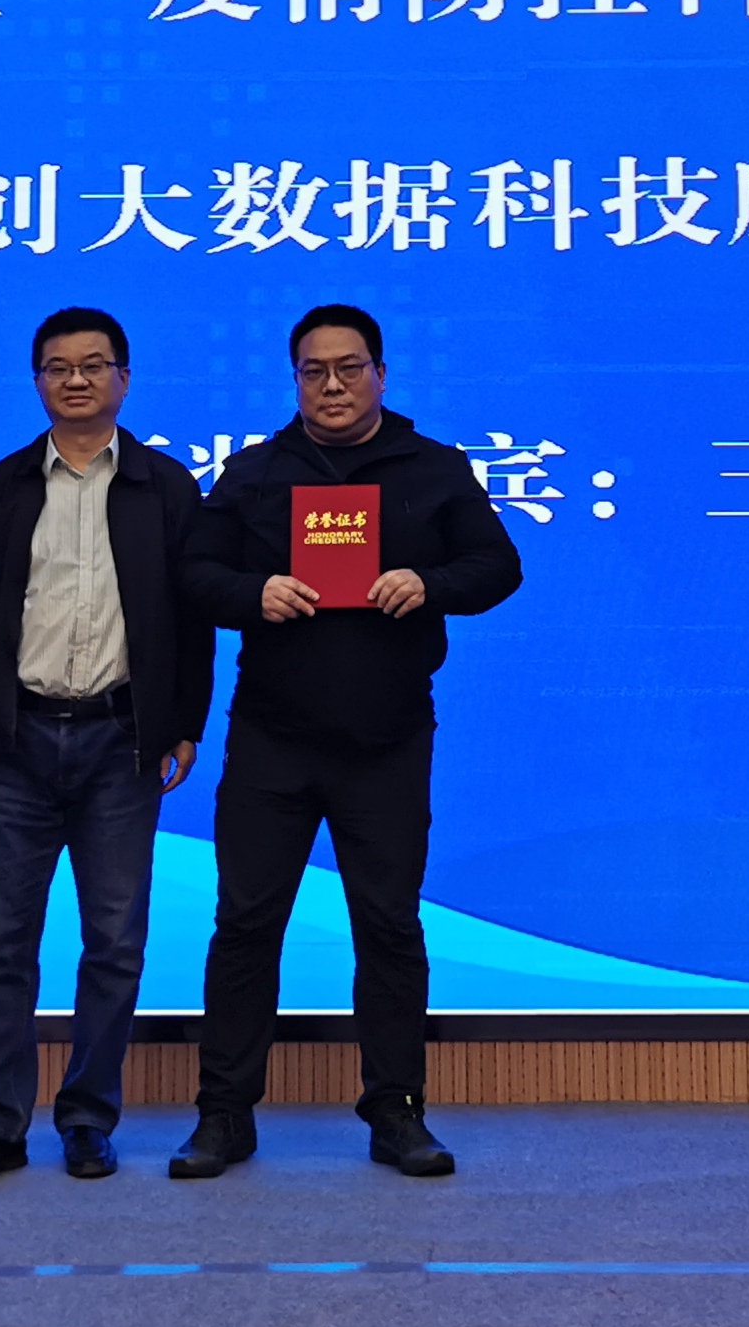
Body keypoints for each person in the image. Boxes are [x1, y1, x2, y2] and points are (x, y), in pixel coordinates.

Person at [171, 304, 522, 1180]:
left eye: (348, 367)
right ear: (294, 379)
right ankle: (223, 1113)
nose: (331, 385)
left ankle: (397, 1111)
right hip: (271, 740)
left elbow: (498, 566)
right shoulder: (254, 471)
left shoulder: (432, 467)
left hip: (387, 739)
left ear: (380, 374)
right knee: (245, 924)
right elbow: (194, 574)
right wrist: (254, 593)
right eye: (313, 370)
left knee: (389, 925)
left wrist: (427, 581)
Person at [0, 308, 213, 1189]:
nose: (77, 379)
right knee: (1, 944)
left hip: (121, 743)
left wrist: (185, 721)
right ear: (38, 381)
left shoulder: (165, 486)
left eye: (94, 364)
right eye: (58, 366)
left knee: (114, 942)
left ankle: (88, 1118)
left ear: (125, 377)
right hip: (15, 741)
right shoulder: (2, 486)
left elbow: (194, 616)